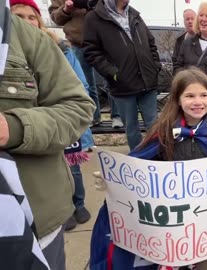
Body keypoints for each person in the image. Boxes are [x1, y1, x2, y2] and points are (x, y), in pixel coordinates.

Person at [89, 67, 207, 270]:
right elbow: (138, 164)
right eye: (190, 95)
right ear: (177, 99)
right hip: (169, 217)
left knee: (192, 257)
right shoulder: (164, 131)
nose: (198, 101)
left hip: (198, 215)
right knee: (169, 260)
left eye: (204, 95)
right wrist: (112, 178)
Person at [0, 11, 94, 270]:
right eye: (21, 15)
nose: (27, 20)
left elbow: (79, 103)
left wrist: (14, 128)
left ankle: (79, 205)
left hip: (35, 222)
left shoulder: (33, 42)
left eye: (33, 16)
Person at [83, 0, 161, 150]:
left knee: (154, 126)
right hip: (122, 85)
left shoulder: (134, 14)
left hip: (148, 81)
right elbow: (92, 52)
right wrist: (113, 73)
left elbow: (151, 42)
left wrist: (155, 65)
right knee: (131, 129)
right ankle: (138, 161)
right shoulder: (94, 18)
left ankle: (156, 158)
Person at [49, 0, 104, 127]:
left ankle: (117, 116)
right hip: (79, 43)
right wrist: (65, 10)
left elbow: (112, 7)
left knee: (112, 80)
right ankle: (93, 116)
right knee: (85, 83)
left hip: (103, 40)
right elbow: (55, 17)